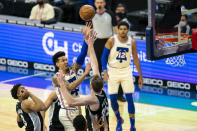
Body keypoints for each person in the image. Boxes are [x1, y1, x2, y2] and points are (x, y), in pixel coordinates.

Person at [56, 31, 109, 131]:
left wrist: (62, 84)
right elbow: (95, 66)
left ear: (91, 87)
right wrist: (90, 45)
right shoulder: (102, 93)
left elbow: (71, 102)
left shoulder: (92, 99)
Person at [101, 21, 143, 131]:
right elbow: (103, 57)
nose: (123, 31)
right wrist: (104, 71)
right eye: (121, 29)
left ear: (128, 30)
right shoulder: (112, 40)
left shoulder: (132, 42)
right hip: (113, 71)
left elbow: (136, 59)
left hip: (126, 71)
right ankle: (119, 119)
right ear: (118, 30)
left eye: (125, 29)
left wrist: (140, 76)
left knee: (129, 98)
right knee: (113, 99)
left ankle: (132, 125)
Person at [51, 23, 92, 130]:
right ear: (57, 64)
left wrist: (86, 38)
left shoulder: (73, 69)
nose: (65, 61)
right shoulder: (56, 77)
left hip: (77, 108)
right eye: (62, 60)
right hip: (67, 111)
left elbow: (82, 55)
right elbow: (70, 87)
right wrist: (85, 74)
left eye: (65, 59)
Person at [92, 0, 118, 74]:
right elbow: (90, 30)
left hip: (108, 41)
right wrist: (89, 45)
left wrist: (117, 42)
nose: (99, 4)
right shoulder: (92, 14)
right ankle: (98, 82)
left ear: (104, 3)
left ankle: (112, 80)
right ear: (95, 4)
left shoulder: (110, 14)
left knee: (110, 61)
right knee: (97, 62)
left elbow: (116, 29)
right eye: (98, 2)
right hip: (96, 41)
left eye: (101, 2)